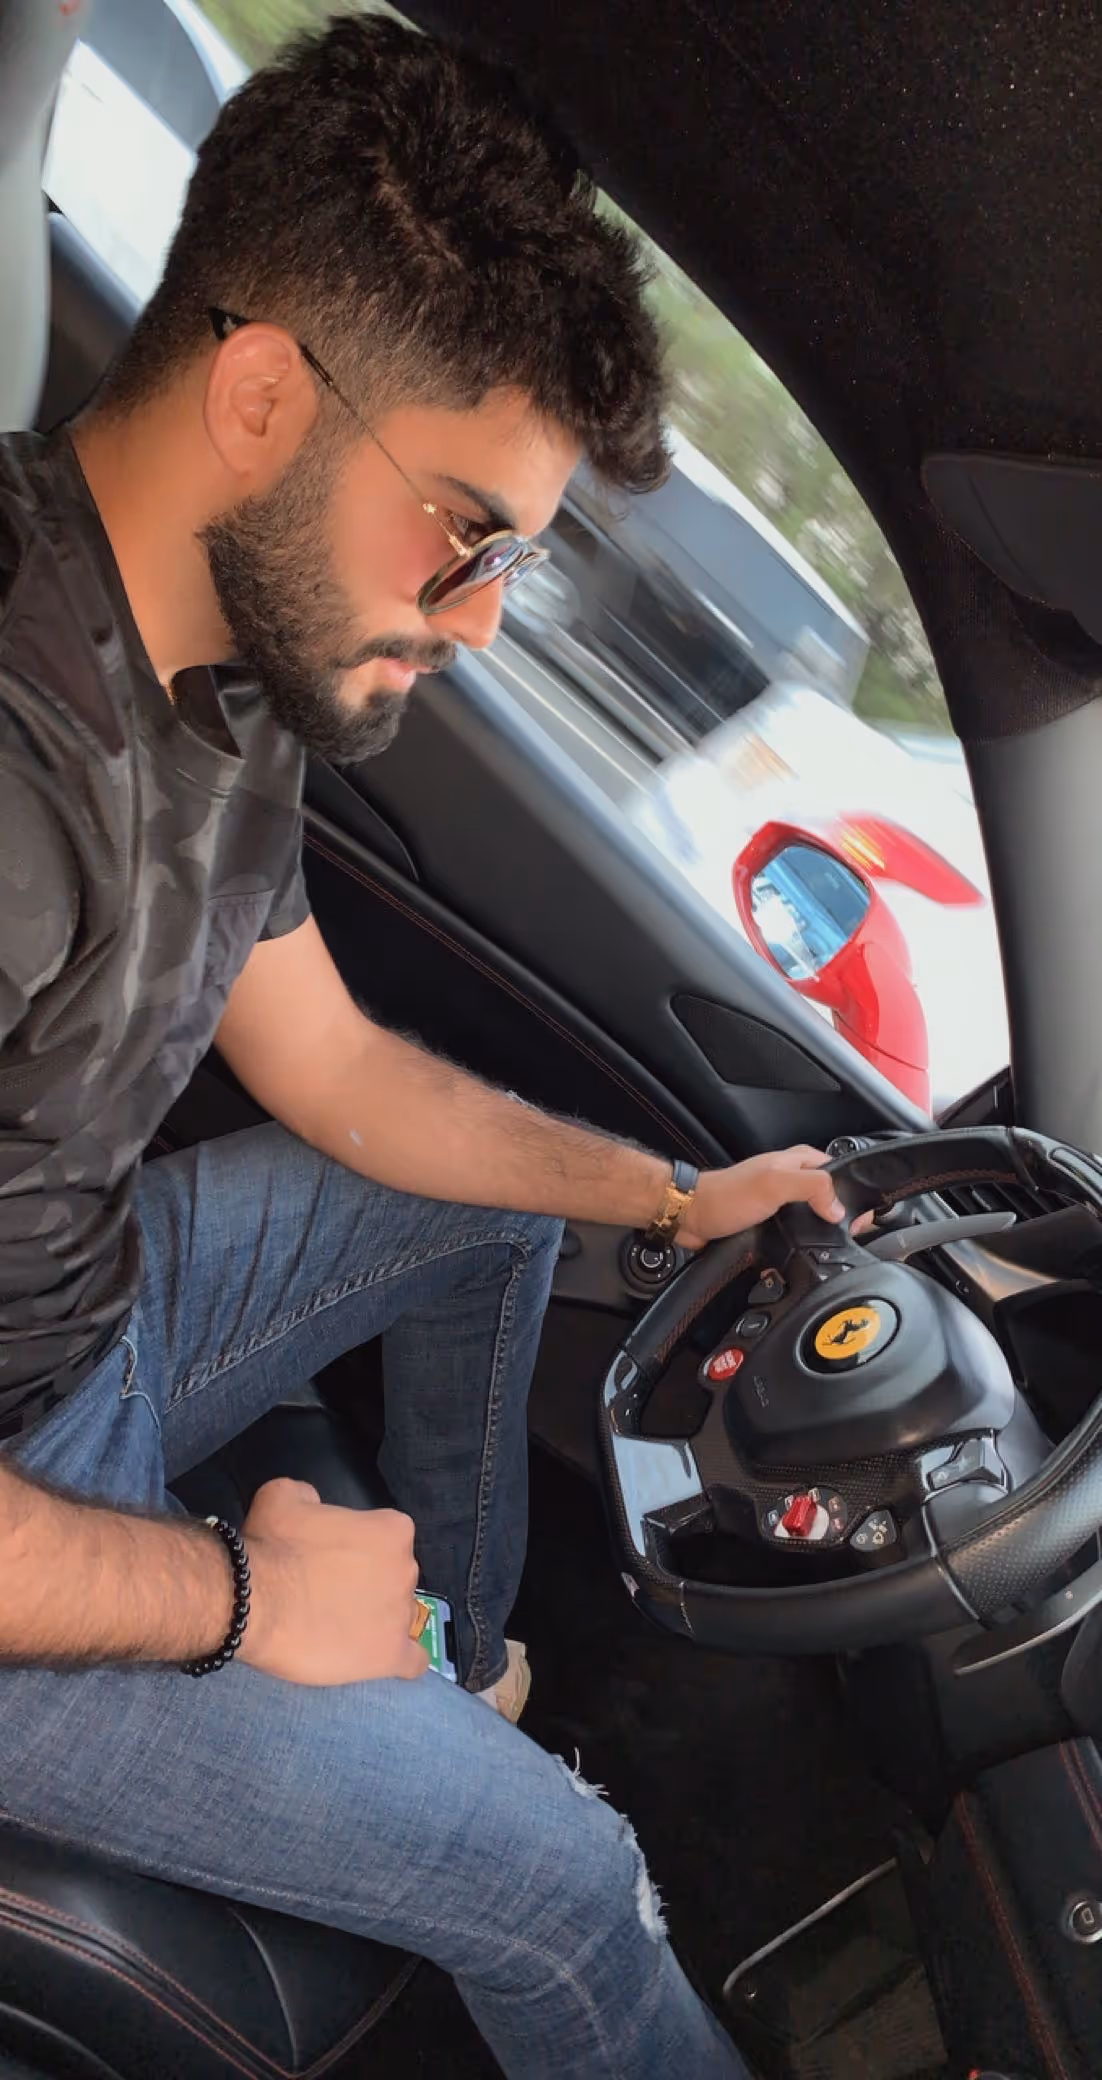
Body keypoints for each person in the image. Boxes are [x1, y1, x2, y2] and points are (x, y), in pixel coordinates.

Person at [0, 17, 852, 2075]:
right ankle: (435, 1754)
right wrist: (243, 1597)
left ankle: (444, 1682)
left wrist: (669, 1197)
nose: (477, 621)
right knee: (566, 1886)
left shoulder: (215, 669)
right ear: (262, 398)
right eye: (466, 534)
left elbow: (342, 1069)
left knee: (494, 1211)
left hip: (81, 1316)